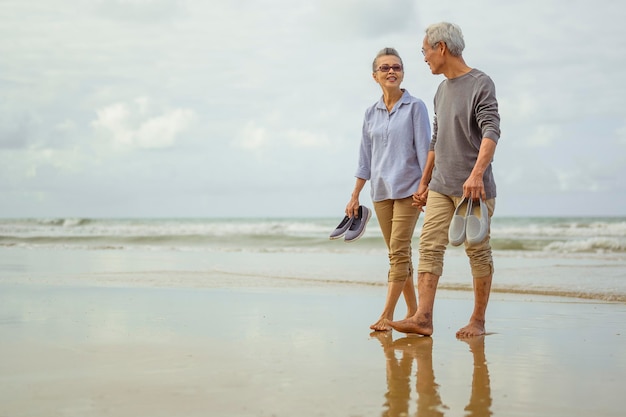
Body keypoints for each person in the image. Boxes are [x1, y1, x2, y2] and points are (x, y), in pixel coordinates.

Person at [390, 22, 501, 338]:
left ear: (441, 48)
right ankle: (423, 317)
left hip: (473, 190)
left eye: (425, 50)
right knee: (428, 246)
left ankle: (477, 321)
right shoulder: (440, 90)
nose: (423, 57)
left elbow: (492, 130)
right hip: (440, 185)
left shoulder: (481, 83)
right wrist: (424, 182)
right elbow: (435, 140)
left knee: (477, 251)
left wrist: (477, 174)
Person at [345, 47, 431, 331]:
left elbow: (425, 150)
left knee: (398, 253)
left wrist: (425, 187)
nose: (391, 71)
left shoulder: (415, 107)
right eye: (385, 68)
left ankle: (386, 315)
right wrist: (355, 194)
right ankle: (414, 310)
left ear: (403, 73)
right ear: (375, 76)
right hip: (380, 193)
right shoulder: (371, 113)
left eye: (396, 67)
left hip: (408, 190)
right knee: (399, 253)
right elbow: (364, 159)